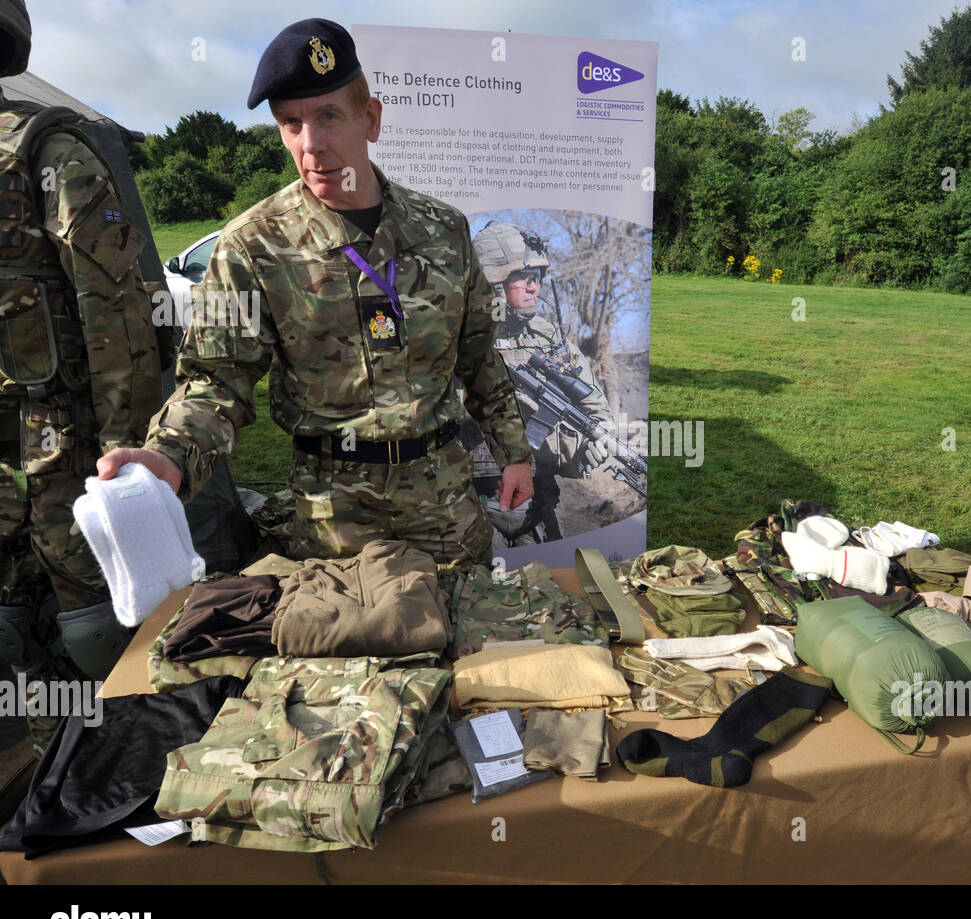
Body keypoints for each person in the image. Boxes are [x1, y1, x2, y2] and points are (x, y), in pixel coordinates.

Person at [98, 18, 533, 571]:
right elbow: (216, 380)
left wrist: (514, 454)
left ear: (369, 118)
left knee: (471, 650)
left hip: (446, 509)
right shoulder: (256, 245)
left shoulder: (443, 230)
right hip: (333, 522)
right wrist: (169, 454)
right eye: (291, 123)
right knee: (345, 654)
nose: (311, 145)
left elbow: (479, 356)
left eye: (328, 116)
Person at [0, 0, 163, 730]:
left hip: (58, 453)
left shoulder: (46, 151)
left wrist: (128, 453)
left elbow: (118, 315)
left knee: (101, 636)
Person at [466, 222, 618, 544]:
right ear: (492, 284)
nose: (533, 287)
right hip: (469, 501)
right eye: (522, 278)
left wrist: (596, 439)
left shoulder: (547, 336)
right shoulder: (460, 336)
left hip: (538, 502)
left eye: (536, 278)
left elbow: (591, 401)